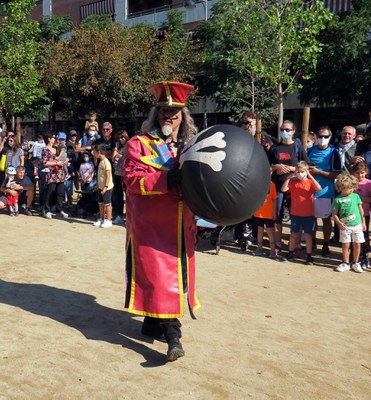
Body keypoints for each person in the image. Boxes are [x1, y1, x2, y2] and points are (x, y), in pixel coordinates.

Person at [123, 81, 199, 361]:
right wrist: (166, 178)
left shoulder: (192, 145)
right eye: (164, 111)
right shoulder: (138, 144)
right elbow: (131, 180)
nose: (169, 116)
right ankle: (173, 337)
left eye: (175, 112)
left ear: (183, 115)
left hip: (182, 225)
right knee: (161, 278)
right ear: (156, 114)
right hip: (151, 227)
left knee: (170, 278)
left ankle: (152, 322)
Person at [269, 120, 309, 253]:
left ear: (292, 131)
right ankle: (278, 243)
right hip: (278, 186)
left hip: (294, 189)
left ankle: (296, 244)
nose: (284, 132)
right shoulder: (275, 148)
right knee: (277, 215)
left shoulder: (297, 147)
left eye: (287, 129)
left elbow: (307, 166)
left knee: (295, 216)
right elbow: (268, 165)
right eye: (282, 129)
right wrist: (277, 166)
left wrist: (291, 168)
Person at [308, 126, 341, 256]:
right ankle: (313, 241)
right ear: (316, 136)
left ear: (330, 137)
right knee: (312, 219)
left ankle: (326, 244)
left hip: (325, 192)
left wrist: (318, 172)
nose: (322, 139)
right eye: (320, 136)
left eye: (325, 137)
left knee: (326, 219)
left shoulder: (334, 152)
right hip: (310, 191)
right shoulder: (310, 150)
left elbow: (337, 174)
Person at [281, 161, 322, 265]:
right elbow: (284, 189)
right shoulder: (294, 183)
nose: (300, 173)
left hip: (308, 214)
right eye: (298, 172)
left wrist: (310, 176)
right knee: (294, 234)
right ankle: (290, 252)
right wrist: (289, 178)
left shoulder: (310, 182)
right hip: (295, 213)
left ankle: (309, 255)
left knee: (308, 235)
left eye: (302, 171)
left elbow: (319, 188)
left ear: (306, 171)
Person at [332, 173, 366, 273]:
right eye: (348, 188)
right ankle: (346, 263)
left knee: (357, 244)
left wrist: (363, 222)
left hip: (357, 225)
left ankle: (356, 263)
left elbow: (361, 210)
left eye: (352, 187)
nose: (351, 190)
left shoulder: (355, 196)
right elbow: (334, 214)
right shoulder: (338, 199)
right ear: (341, 188)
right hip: (345, 227)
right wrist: (339, 223)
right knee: (345, 245)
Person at [41, 133, 69, 220]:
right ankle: (47, 209)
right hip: (51, 173)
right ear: (49, 139)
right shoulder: (45, 150)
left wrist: (65, 160)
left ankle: (59, 209)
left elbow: (65, 156)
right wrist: (56, 163)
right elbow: (45, 162)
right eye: (54, 137)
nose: (56, 139)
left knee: (60, 192)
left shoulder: (58, 148)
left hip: (60, 173)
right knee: (50, 191)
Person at [351, 162, 371, 269]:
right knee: (352, 237)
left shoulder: (369, 183)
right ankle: (352, 258)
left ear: (366, 172)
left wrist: (358, 198)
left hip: (364, 214)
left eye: (362, 173)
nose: (360, 175)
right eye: (357, 173)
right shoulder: (351, 183)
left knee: (363, 236)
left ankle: (364, 257)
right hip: (351, 215)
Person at [253, 178, 278, 258]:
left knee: (270, 231)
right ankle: (259, 248)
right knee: (259, 231)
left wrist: (274, 212)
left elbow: (274, 199)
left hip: (268, 213)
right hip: (258, 212)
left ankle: (272, 250)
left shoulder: (272, 184)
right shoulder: (257, 183)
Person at [93, 143, 114, 228]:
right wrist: (98, 184)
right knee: (101, 203)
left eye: (94, 152)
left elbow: (108, 175)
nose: (93, 153)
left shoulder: (106, 162)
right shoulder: (100, 162)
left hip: (107, 187)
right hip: (101, 186)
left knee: (107, 204)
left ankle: (108, 220)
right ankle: (102, 218)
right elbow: (100, 175)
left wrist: (105, 187)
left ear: (99, 152)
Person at [111, 130, 129, 225]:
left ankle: (129, 216)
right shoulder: (118, 148)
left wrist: (121, 155)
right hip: (117, 173)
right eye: (119, 138)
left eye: (122, 137)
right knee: (119, 195)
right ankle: (119, 215)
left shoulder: (129, 146)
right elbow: (113, 158)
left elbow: (128, 157)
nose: (121, 140)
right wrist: (116, 148)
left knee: (128, 195)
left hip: (125, 174)